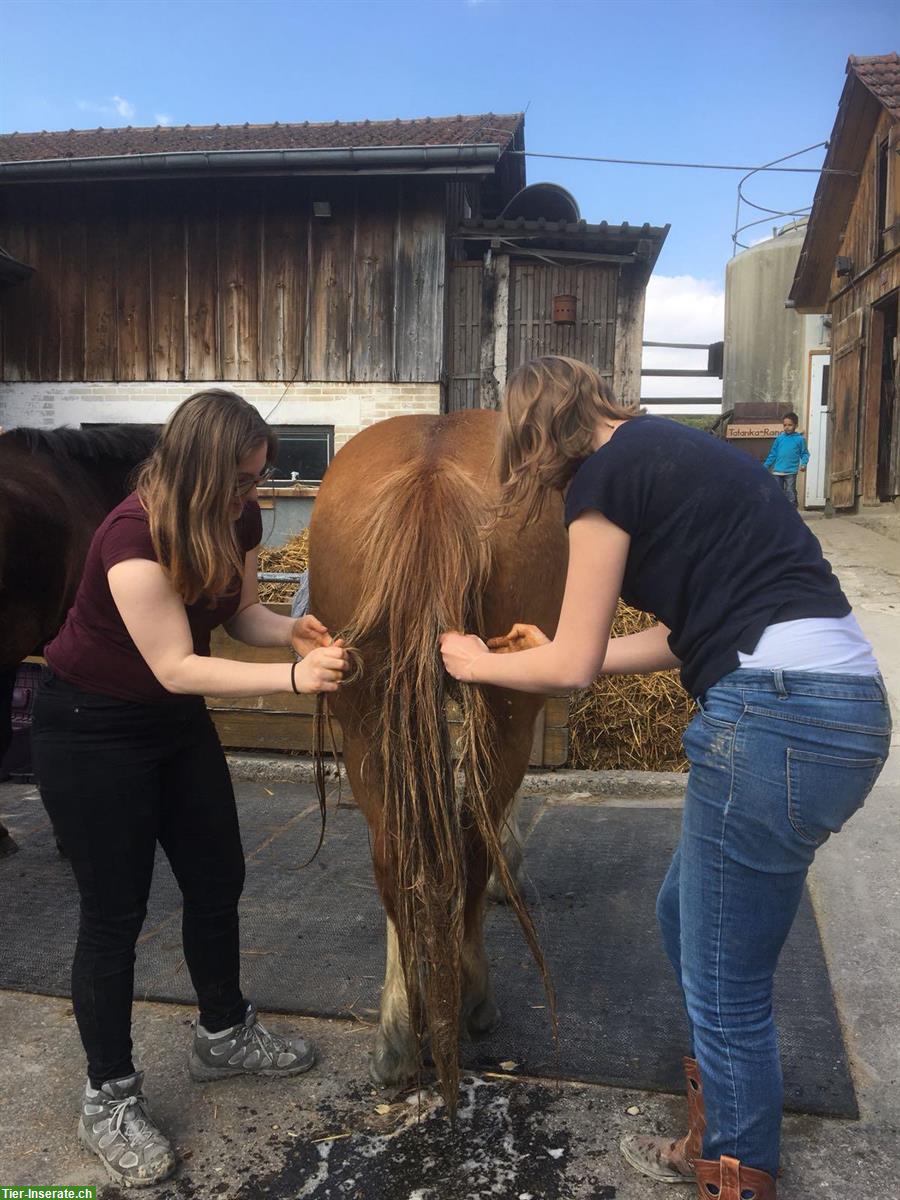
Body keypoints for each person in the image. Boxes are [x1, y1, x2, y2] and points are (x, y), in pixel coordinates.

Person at [440, 356, 890, 1200]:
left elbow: (568, 672)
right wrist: (567, 653)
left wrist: (477, 659)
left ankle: (734, 1170)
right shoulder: (679, 453)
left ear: (535, 432)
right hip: (837, 708)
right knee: (686, 914)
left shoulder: (600, 483)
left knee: (726, 982)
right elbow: (684, 637)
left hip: (770, 718)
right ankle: (717, 1126)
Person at [32, 389, 350, 1188]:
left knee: (218, 879)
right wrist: (293, 678)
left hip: (172, 727)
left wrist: (293, 628)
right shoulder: (131, 536)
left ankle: (223, 1033)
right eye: (245, 481)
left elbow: (240, 614)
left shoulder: (237, 520)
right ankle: (107, 1097)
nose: (257, 497)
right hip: (91, 730)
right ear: (203, 469)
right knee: (115, 916)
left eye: (261, 480)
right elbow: (175, 664)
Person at [763, 411, 810, 509]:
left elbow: (805, 453)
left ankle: (792, 511)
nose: (787, 427)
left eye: (790, 425)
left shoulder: (800, 439)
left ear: (796, 425)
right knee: (778, 492)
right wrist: (765, 466)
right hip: (777, 471)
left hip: (791, 471)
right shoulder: (779, 439)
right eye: (785, 425)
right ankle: (780, 510)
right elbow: (773, 454)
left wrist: (804, 464)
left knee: (790, 491)